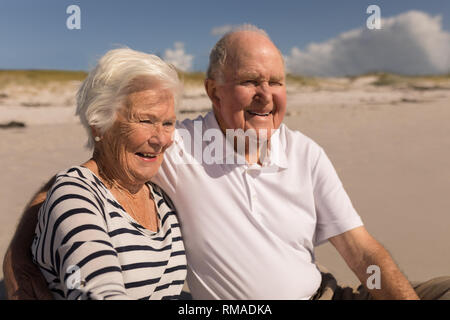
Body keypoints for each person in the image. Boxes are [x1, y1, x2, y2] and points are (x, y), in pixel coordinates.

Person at [4, 25, 449, 300]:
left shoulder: (305, 153)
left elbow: (361, 251)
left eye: (276, 81)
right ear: (214, 90)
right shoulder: (174, 144)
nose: (266, 94)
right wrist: (20, 258)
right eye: (250, 81)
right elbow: (90, 176)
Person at [12, 48, 187, 299]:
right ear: (99, 124)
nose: (161, 139)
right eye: (146, 121)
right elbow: (99, 292)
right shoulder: (76, 195)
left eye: (168, 123)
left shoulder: (159, 193)